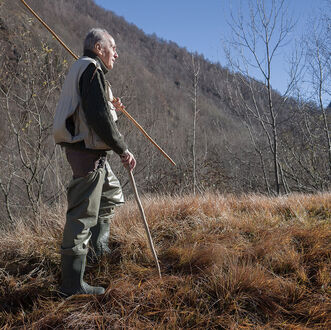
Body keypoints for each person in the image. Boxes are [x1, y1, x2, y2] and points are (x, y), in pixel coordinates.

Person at [53, 28, 136, 296]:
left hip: (92, 151)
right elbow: (98, 119)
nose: (117, 54)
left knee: (111, 194)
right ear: (99, 48)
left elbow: (96, 113)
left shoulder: (87, 70)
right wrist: (123, 149)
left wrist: (113, 109)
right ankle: (72, 285)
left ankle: (98, 251)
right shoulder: (91, 71)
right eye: (113, 47)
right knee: (81, 218)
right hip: (87, 154)